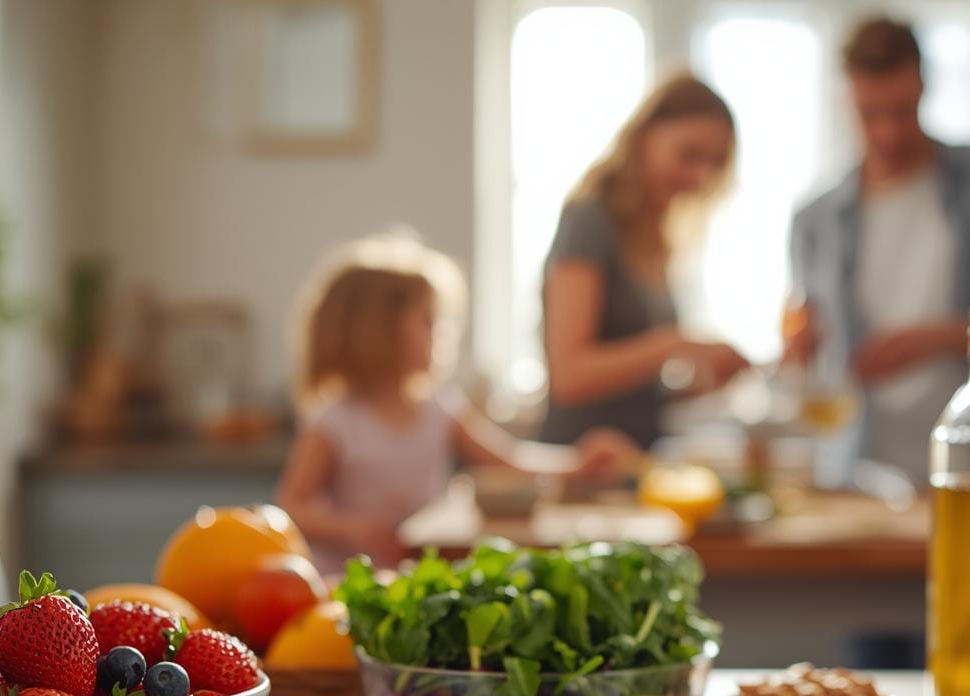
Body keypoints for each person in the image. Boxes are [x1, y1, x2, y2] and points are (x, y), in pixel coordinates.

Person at [785, 17, 970, 485]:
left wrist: (938, 339)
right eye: (870, 114)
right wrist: (801, 346)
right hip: (857, 474)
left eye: (902, 110)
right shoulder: (815, 219)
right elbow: (807, 350)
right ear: (845, 99)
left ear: (924, 88)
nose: (889, 133)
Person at [276, 232, 635, 575]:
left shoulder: (440, 409)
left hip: (417, 574)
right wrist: (351, 528)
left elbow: (509, 461)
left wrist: (578, 463)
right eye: (427, 322)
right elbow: (292, 506)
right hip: (347, 580)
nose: (441, 335)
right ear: (379, 332)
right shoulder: (336, 422)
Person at [539, 74, 750, 449]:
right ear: (643, 136)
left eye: (715, 164)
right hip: (584, 467)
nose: (700, 176)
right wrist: (676, 344)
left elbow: (634, 392)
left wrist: (699, 383)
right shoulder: (590, 220)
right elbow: (569, 376)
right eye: (689, 154)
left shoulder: (654, 239)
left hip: (635, 462)